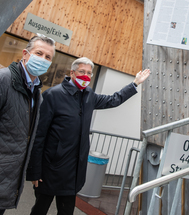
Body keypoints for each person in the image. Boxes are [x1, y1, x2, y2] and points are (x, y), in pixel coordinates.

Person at [26, 57, 150, 215]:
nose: (86, 76)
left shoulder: (88, 94)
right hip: (50, 169)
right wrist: (35, 171)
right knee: (40, 209)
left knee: (66, 211)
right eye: (82, 72)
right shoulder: (53, 95)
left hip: (73, 171)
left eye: (89, 73)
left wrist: (135, 83)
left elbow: (113, 100)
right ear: (72, 72)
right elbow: (39, 135)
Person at [0, 34, 55, 214]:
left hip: (8, 178)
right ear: (25, 54)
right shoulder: (4, 79)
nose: (43, 59)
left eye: (48, 57)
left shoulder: (36, 91)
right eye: (39, 53)